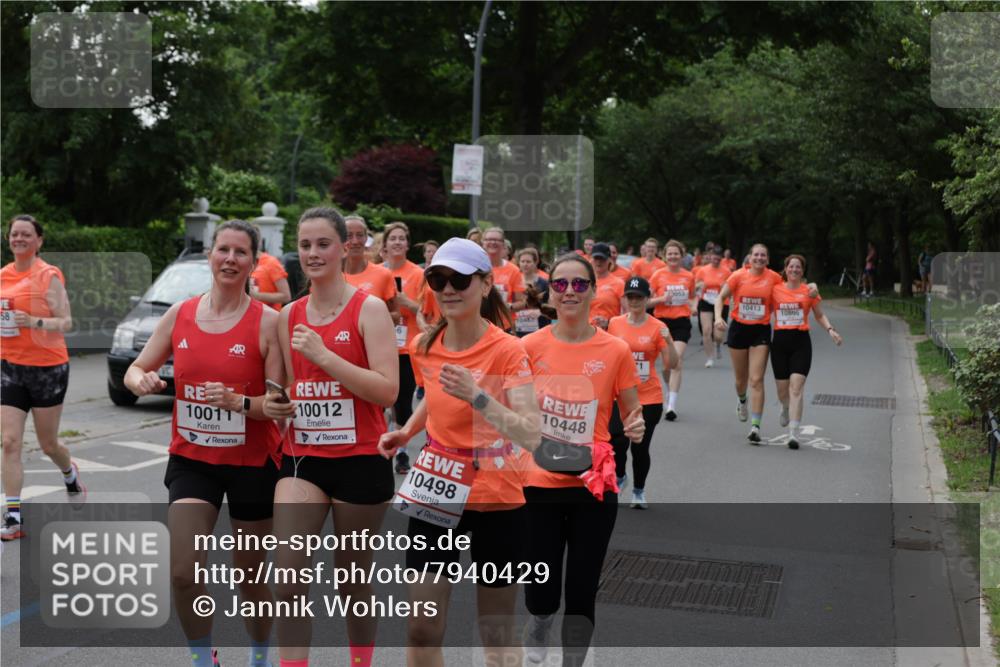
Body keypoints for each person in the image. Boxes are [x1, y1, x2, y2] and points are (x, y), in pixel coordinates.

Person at [376, 237, 541, 667]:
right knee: (421, 625)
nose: (447, 288)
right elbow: (434, 393)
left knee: (495, 629)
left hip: (498, 492)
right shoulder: (424, 345)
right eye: (437, 278)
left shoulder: (509, 349)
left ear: (485, 285)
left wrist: (479, 397)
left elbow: (531, 434)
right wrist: (407, 430)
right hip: (438, 485)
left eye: (460, 279)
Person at [124, 220, 281, 667]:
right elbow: (136, 368)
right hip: (193, 459)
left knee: (249, 578)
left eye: (241, 253)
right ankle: (201, 658)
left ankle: (259, 656)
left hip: (252, 461)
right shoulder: (181, 314)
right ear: (210, 255)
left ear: (254, 262)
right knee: (182, 572)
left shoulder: (267, 322)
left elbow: (278, 404)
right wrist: (143, 380)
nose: (230, 259)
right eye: (223, 250)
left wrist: (238, 402)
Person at [262, 207, 399, 667]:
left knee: (353, 581)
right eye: (305, 245)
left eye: (323, 244)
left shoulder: (370, 308)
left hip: (362, 459)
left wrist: (324, 355)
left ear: (345, 247)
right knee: (287, 575)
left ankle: (361, 661)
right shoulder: (289, 315)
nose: (314, 253)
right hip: (304, 458)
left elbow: (387, 389)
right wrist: (278, 402)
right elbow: (280, 388)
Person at [521, 253, 644, 667]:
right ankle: (539, 622)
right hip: (538, 484)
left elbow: (630, 406)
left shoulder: (616, 349)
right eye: (560, 284)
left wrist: (636, 423)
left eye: (578, 284)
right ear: (549, 292)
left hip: (594, 484)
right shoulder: (528, 347)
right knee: (542, 589)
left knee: (582, 586)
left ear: (593, 290)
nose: (570, 291)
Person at [1, 214, 77, 542]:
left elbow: (66, 322)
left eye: (26, 234)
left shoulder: (48, 275)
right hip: (10, 367)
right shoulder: (2, 276)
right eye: (14, 234)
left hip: (48, 369)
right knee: (9, 442)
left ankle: (69, 472)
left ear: (38, 241)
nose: (19, 239)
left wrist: (34, 321)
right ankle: (13, 517)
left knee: (48, 444)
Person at [607, 276, 677, 508]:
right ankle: (619, 476)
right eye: (630, 297)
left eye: (639, 297)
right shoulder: (615, 323)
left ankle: (638, 491)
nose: (634, 301)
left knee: (640, 447)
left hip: (648, 397)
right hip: (618, 395)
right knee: (616, 442)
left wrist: (669, 342)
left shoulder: (658, 327)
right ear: (624, 299)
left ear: (647, 299)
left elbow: (671, 365)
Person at [771, 255, 843, 448]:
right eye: (791, 266)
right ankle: (785, 407)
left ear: (802, 271)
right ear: (785, 269)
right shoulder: (775, 289)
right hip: (779, 343)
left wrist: (831, 330)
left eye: (798, 267)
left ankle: (793, 434)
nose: (794, 270)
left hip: (801, 343)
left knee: (796, 387)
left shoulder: (809, 291)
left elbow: (819, 315)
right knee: (782, 390)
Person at [382, 221, 426, 475]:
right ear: (385, 245)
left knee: (401, 403)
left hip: (407, 347)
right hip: (378, 345)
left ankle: (401, 453)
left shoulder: (418, 275)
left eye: (401, 238)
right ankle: (381, 442)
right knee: (377, 401)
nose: (397, 242)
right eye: (393, 238)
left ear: (407, 244)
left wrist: (405, 302)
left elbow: (428, 309)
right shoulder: (376, 272)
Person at [648, 240, 695, 421]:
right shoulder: (658, 275)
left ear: (682, 256)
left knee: (677, 360)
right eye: (670, 254)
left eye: (676, 254)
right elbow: (647, 302)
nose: (673, 257)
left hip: (682, 322)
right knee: (667, 364)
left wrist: (694, 306)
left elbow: (692, 298)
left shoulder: (688, 276)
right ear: (665, 256)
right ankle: (669, 389)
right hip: (662, 323)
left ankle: (671, 405)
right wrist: (661, 298)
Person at [342, 215, 400, 324]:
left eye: (360, 235)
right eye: (349, 235)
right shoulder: (330, 277)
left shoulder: (383, 275)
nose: (355, 241)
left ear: (366, 238)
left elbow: (396, 316)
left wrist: (369, 318)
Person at [693, 246, 732, 367]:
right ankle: (709, 358)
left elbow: (730, 290)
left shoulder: (727, 271)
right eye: (714, 256)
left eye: (718, 257)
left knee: (718, 335)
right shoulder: (702, 270)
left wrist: (724, 288)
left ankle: (718, 344)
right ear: (710, 256)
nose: (716, 259)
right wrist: (700, 285)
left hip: (721, 303)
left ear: (721, 258)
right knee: (706, 330)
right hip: (706, 301)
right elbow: (695, 288)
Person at [481, 227, 527, 317]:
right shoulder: (475, 267)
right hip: (479, 323)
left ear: (503, 244)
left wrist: (507, 307)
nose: (493, 242)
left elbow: (522, 302)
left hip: (504, 325)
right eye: (489, 239)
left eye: (497, 240)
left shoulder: (514, 270)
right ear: (483, 243)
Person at [588, 242, 626, 330]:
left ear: (609, 260)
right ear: (591, 259)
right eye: (596, 258)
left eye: (602, 259)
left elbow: (627, 314)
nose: (598, 262)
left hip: (610, 332)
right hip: (587, 333)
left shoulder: (619, 283)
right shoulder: (584, 282)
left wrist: (609, 322)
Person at [250, 237, 292, 311]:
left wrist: (256, 296)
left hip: (269, 318)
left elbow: (286, 296)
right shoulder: (242, 263)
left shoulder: (271, 263)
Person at [517, 247, 551, 337]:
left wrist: (540, 312)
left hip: (540, 328)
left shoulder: (544, 283)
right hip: (517, 329)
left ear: (535, 263)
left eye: (528, 262)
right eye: (522, 261)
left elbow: (552, 306)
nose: (525, 264)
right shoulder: (514, 282)